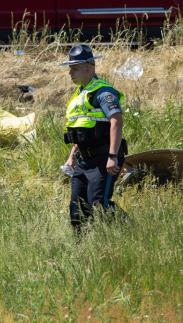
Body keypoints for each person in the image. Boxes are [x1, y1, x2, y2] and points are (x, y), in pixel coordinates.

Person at [59, 44, 126, 234]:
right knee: (77, 211)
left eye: (74, 69)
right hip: (83, 160)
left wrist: (113, 156)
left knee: (99, 207)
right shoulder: (80, 94)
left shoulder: (103, 92)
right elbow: (80, 130)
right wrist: (72, 156)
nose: (70, 73)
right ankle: (82, 249)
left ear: (87, 69)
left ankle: (131, 230)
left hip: (103, 157)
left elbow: (116, 122)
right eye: (70, 69)